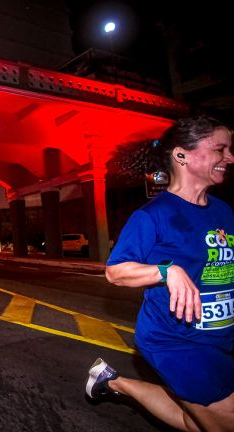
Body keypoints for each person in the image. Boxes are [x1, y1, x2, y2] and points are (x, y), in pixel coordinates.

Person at [86, 115, 234, 431]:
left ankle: (113, 383)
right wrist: (169, 271)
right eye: (220, 149)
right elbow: (116, 272)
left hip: (220, 339)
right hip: (176, 341)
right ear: (181, 155)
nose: (230, 158)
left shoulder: (224, 211)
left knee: (193, 423)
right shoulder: (154, 215)